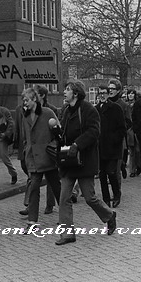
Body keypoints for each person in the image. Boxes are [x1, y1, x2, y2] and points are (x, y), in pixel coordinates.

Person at [56, 80, 116, 245]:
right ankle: (67, 234)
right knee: (64, 198)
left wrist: (78, 144)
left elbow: (94, 131)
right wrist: (57, 134)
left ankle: (109, 215)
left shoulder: (88, 109)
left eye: (67, 90)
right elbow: (65, 133)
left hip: (84, 161)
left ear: (75, 93)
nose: (65, 92)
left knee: (89, 198)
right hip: (69, 161)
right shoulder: (66, 111)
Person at [19, 88, 61, 228]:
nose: (24, 103)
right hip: (33, 158)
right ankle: (32, 220)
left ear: (34, 99)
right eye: (23, 100)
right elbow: (25, 137)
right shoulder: (24, 116)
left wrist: (53, 147)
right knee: (34, 188)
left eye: (26, 100)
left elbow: (58, 131)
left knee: (56, 188)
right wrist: (25, 152)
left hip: (48, 157)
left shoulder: (47, 113)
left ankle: (65, 215)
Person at [96, 86, 126, 208]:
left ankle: (117, 194)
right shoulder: (96, 109)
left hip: (113, 148)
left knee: (111, 172)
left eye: (104, 93)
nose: (102, 96)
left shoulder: (116, 108)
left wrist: (115, 140)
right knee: (102, 174)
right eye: (100, 93)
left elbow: (122, 128)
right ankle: (106, 198)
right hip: (100, 147)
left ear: (109, 94)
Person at [125, 89, 141, 177]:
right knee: (131, 151)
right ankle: (132, 170)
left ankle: (138, 166)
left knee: (138, 150)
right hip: (129, 129)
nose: (130, 95)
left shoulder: (138, 104)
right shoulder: (125, 105)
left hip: (137, 129)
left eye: (132, 94)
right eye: (129, 94)